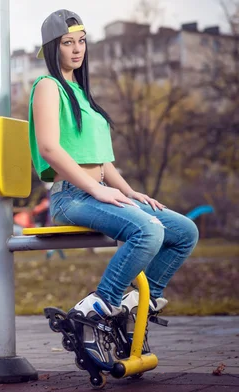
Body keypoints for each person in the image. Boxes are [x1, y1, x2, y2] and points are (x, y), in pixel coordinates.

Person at [28, 9, 199, 370]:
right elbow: (49, 149)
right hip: (70, 196)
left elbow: (103, 161)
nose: (77, 49)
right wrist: (97, 189)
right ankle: (96, 309)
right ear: (52, 47)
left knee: (184, 230)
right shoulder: (48, 87)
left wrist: (129, 191)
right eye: (67, 43)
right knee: (147, 229)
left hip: (98, 190)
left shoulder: (83, 95)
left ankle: (135, 304)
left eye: (81, 41)